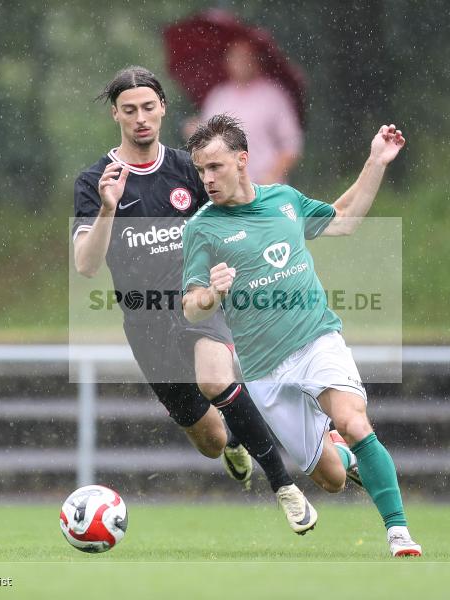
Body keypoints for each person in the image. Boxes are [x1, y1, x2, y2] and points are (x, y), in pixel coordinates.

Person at [72, 66, 316, 534]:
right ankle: (232, 440)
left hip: (198, 301)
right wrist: (107, 208)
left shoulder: (190, 168)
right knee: (210, 439)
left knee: (215, 377)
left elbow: (239, 214)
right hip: (144, 321)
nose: (141, 118)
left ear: (163, 108)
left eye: (148, 107)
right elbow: (86, 265)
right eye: (129, 110)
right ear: (115, 115)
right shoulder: (95, 181)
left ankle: (284, 485)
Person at [181, 114, 422, 557]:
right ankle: (344, 456)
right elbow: (191, 305)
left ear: (242, 160)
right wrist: (212, 295)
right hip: (264, 370)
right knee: (331, 479)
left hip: (316, 340)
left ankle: (399, 533)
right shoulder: (202, 226)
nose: (207, 178)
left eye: (215, 166)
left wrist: (376, 161)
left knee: (353, 422)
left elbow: (344, 218)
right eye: (200, 170)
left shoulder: (284, 200)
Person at [183, 39, 302, 185]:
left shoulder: (273, 96)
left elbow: (291, 144)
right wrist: (196, 131)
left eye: (245, 56)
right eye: (235, 57)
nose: (240, 62)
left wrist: (272, 174)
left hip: (265, 187)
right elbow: (209, 140)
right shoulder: (219, 96)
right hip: (227, 187)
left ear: (256, 59)